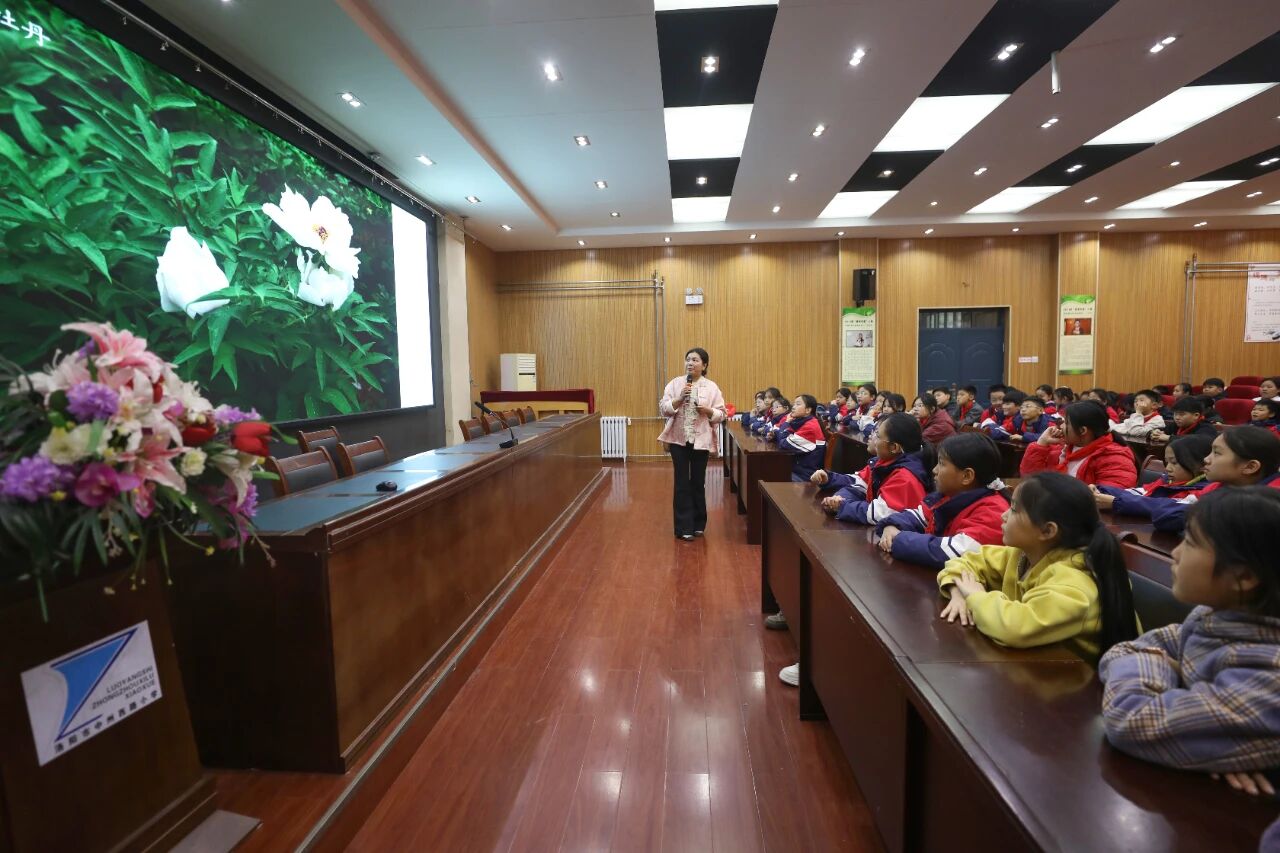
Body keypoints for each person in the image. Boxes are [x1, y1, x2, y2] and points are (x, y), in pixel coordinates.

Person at [1098, 488, 1280, 790]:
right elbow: (1123, 650)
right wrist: (1182, 688)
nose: (1176, 553)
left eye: (1191, 543)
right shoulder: (1214, 618)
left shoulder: (1269, 675)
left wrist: (1165, 669)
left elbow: (1132, 719)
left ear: (1245, 576)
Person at [936, 472, 1140, 663]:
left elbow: (1014, 628)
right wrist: (958, 593)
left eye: (1014, 509)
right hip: (1039, 668)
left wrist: (975, 596)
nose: (1003, 515)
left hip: (1085, 683)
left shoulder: (1075, 584)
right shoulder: (1024, 553)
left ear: (1047, 531)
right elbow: (967, 561)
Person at [876, 433, 1009, 569]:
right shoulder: (950, 496)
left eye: (941, 463)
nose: (934, 470)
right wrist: (892, 525)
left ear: (967, 476)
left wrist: (899, 539)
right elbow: (919, 516)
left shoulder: (993, 512)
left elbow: (950, 552)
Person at [811, 412, 934, 526]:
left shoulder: (905, 478)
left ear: (894, 447)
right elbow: (860, 485)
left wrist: (842, 506)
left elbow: (879, 514)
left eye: (878, 436)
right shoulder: (884, 463)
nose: (873, 438)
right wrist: (839, 498)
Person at [1150, 427, 1280, 534]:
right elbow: (1165, 515)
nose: (1206, 459)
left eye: (1217, 453)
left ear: (1250, 467)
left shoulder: (1271, 505)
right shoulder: (1218, 486)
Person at [658, 347, 726, 541]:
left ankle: (698, 523)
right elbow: (663, 409)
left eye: (695, 360)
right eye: (688, 359)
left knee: (697, 482)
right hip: (678, 439)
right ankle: (683, 527)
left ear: (704, 365)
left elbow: (722, 414)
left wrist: (708, 411)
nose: (690, 363)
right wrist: (679, 399)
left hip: (701, 440)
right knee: (681, 482)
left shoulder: (711, 387)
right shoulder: (675, 383)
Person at [1020, 401, 1138, 488]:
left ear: (1082, 430)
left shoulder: (1114, 458)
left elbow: (1106, 497)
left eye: (1066, 423)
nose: (1060, 426)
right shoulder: (1063, 449)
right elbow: (1030, 478)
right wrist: (1041, 444)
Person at [1092, 434, 1214, 517]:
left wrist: (1117, 502)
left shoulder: (1203, 492)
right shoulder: (1167, 480)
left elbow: (1168, 507)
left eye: (1174, 463)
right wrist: (1101, 490)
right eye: (1167, 462)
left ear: (1202, 464)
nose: (1167, 468)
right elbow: (1140, 492)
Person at [773, 394, 826, 482]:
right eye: (794, 404)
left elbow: (783, 444)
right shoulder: (800, 422)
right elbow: (783, 435)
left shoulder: (810, 427)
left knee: (767, 473)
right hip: (797, 469)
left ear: (808, 410)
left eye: (798, 404)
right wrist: (777, 433)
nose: (793, 407)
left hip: (805, 476)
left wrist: (786, 423)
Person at [1148, 396, 1217, 446]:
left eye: (1182, 414)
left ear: (1196, 415)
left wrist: (1168, 438)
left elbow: (1196, 440)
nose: (1177, 417)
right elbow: (1163, 431)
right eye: (1175, 414)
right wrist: (1155, 432)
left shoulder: (1207, 427)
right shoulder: (1177, 424)